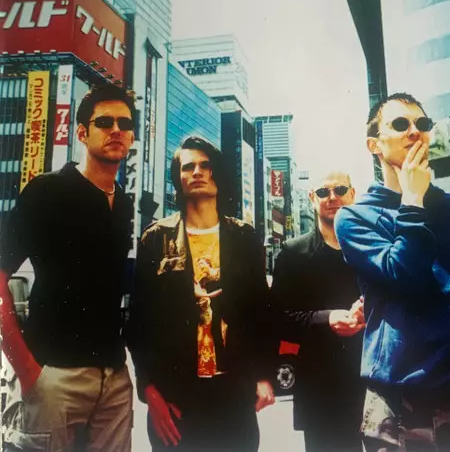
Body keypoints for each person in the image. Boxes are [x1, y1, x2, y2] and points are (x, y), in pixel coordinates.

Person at [335, 92, 450, 452]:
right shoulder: (354, 217)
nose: (414, 131)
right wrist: (412, 200)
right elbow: (406, 277)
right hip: (398, 401)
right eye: (399, 124)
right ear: (374, 144)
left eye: (422, 123)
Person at [0, 83, 136, 452]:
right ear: (81, 132)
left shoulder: (124, 204)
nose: (116, 130)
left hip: (115, 380)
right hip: (53, 374)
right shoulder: (46, 191)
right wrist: (26, 369)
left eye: (125, 123)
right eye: (104, 122)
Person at [127, 136, 275, 452]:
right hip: (176, 398)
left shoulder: (243, 237)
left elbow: (262, 313)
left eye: (205, 165)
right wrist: (150, 393)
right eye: (188, 167)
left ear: (217, 174)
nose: (197, 172)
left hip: (234, 395)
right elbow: (138, 324)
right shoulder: (156, 238)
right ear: (177, 178)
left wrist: (264, 376)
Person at [271, 170, 365, 452]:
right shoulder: (293, 253)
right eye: (323, 192)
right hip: (320, 387)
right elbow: (277, 317)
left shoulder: (370, 247)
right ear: (312, 198)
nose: (332, 197)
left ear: (352, 194)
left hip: (372, 381)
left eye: (340, 190)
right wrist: (327, 318)